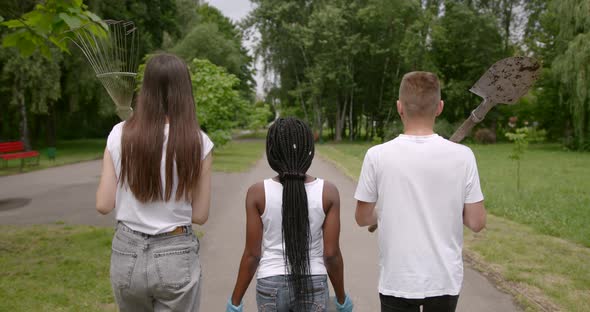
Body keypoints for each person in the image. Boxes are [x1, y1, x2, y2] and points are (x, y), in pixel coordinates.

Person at [354, 72, 486, 312]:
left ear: (399, 107)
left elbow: (362, 218)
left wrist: (384, 210)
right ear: (440, 107)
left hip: (397, 278)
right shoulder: (463, 157)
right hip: (444, 280)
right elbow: (477, 222)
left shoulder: (377, 156)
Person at [95, 53, 214, 311]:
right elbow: (201, 215)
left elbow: (104, 204)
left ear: (145, 89)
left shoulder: (119, 135)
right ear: (185, 91)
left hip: (127, 255)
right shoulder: (199, 141)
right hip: (176, 253)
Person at [227, 118, 353, 312]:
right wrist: (342, 298)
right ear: (309, 151)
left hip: (270, 285)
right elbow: (331, 255)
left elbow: (252, 255)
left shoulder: (257, 193)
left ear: (272, 152)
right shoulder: (327, 192)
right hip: (314, 283)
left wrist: (235, 302)